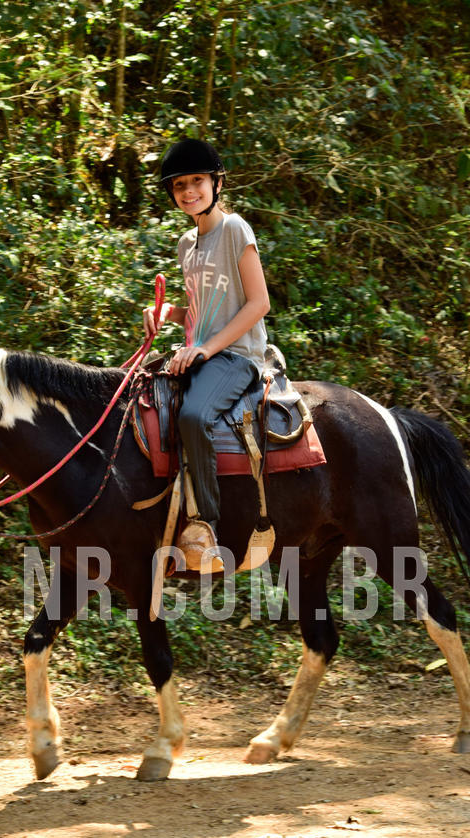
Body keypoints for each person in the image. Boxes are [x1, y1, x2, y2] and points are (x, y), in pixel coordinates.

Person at [143, 137, 270, 571]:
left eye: (197, 181)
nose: (188, 192)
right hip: (201, 352)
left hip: (237, 357)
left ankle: (206, 523)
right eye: (179, 185)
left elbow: (257, 303)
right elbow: (204, 310)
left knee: (194, 417)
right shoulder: (186, 244)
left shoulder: (235, 230)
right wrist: (166, 312)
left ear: (216, 183)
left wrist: (203, 349)